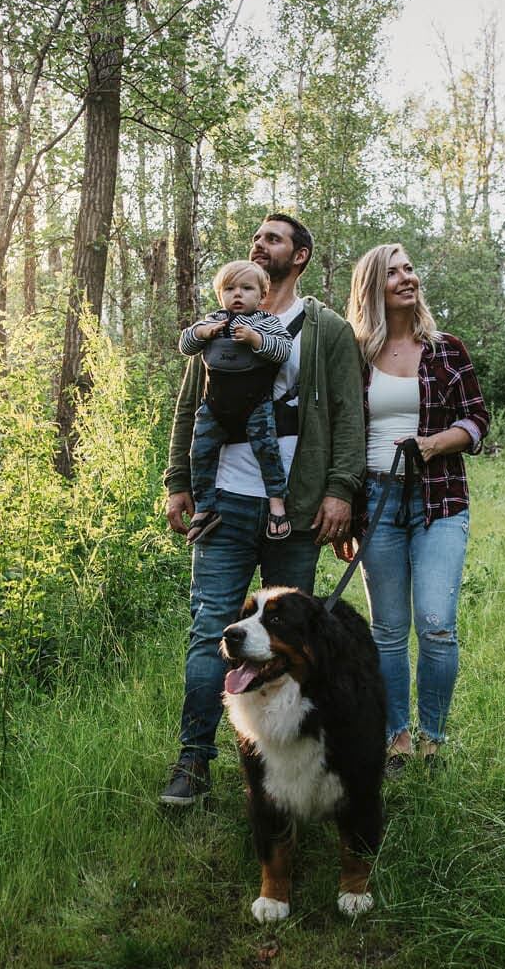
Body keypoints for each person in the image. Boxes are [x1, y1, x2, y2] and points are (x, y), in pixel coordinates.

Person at [159, 213, 366, 806]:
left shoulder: (324, 329)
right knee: (209, 635)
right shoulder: (219, 324)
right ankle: (193, 762)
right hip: (221, 506)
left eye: (273, 238)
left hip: (293, 514)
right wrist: (179, 482)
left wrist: (341, 490)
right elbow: (188, 407)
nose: (260, 245)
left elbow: (350, 416)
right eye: (257, 238)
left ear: (298, 257)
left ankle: (285, 770)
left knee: (287, 644)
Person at [340, 243, 489, 773]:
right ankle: (395, 736)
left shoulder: (446, 349)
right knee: (387, 629)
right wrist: (343, 505)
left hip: (440, 499)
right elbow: (341, 434)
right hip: (375, 500)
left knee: (436, 622)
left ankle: (433, 737)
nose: (408, 278)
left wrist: (432, 443)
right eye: (394, 272)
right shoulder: (353, 355)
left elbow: (476, 423)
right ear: (372, 287)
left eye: (409, 269)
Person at [179, 260, 294, 543]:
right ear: (220, 295)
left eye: (246, 288)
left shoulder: (267, 323)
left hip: (255, 404)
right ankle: (205, 507)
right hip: (214, 405)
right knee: (201, 452)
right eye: (229, 289)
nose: (237, 295)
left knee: (267, 451)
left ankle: (277, 502)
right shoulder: (212, 320)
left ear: (261, 294)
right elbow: (185, 345)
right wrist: (201, 333)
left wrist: (256, 340)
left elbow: (284, 350)